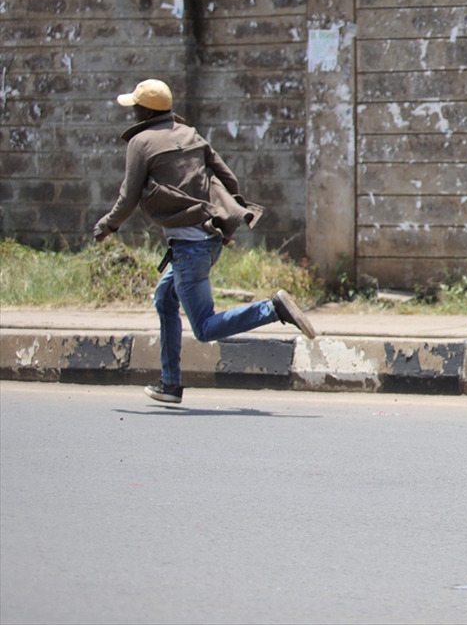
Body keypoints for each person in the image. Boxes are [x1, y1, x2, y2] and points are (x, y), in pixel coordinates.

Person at [93, 79, 317, 404]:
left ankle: (272, 309)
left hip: (188, 247)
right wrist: (226, 227)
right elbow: (229, 179)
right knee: (165, 301)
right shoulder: (190, 134)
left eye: (135, 108)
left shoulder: (141, 142)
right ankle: (170, 383)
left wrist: (107, 225)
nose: (133, 113)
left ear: (144, 111)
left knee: (204, 327)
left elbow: (128, 198)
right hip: (206, 240)